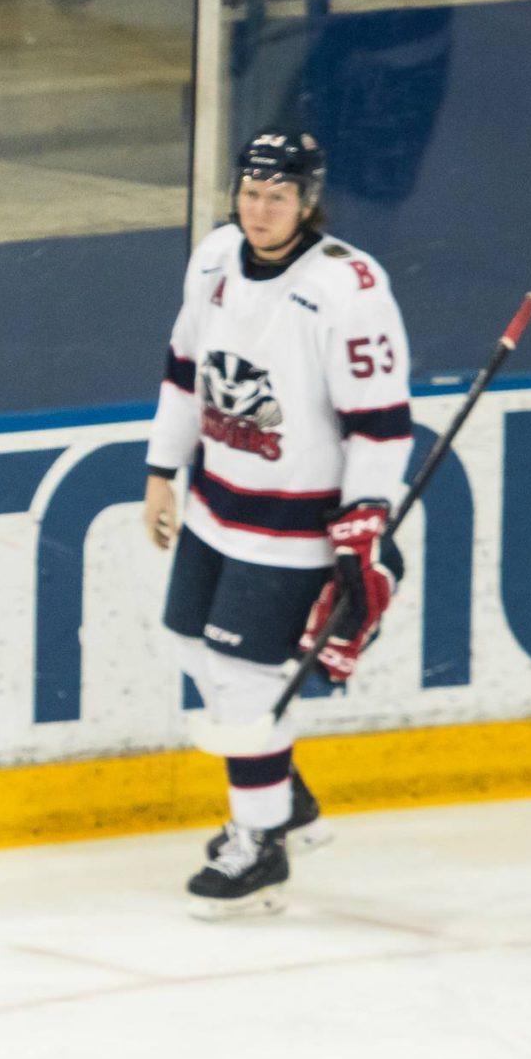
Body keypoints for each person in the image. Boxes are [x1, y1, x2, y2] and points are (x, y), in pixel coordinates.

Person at [140, 131, 413, 918]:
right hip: (216, 504)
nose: (261, 210)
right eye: (252, 193)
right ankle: (281, 794)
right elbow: (184, 370)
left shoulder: (349, 288)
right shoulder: (215, 258)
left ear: (308, 200)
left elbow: (382, 424)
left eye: (280, 196)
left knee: (245, 687)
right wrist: (163, 469)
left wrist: (362, 524)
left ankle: (258, 845)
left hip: (296, 526)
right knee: (190, 646)